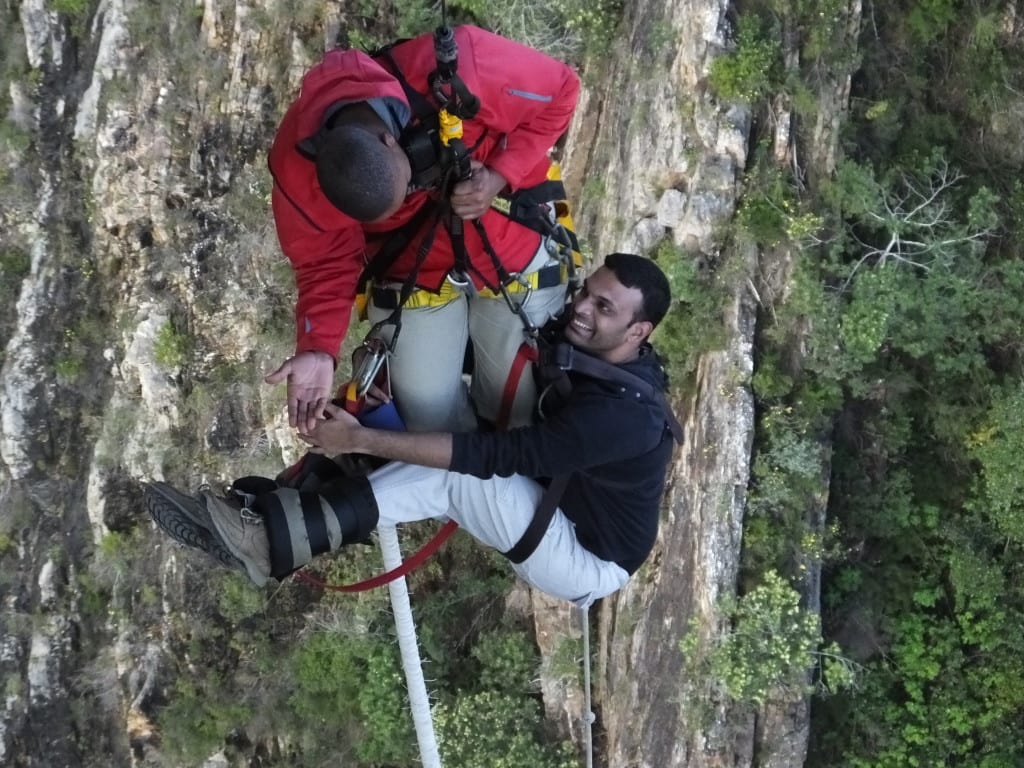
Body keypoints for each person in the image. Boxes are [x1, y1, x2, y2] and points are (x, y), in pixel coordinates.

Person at [147, 254, 681, 607]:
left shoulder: (626, 415)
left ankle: (268, 542)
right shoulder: (598, 356)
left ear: (639, 331)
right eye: (586, 292)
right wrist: (391, 394)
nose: (581, 308)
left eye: (603, 307)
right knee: (444, 457)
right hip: (556, 506)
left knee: (463, 478)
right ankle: (268, 516)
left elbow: (498, 455)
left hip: (586, 560)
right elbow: (472, 362)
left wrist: (363, 438)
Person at [264, 24, 582, 435]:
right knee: (430, 425)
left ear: (390, 139)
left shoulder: (459, 65)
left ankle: (515, 479)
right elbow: (324, 263)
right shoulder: (297, 178)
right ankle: (460, 490)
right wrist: (318, 348)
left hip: (509, 233)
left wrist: (500, 175)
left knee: (522, 408)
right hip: (411, 264)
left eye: (407, 187)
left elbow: (561, 91)